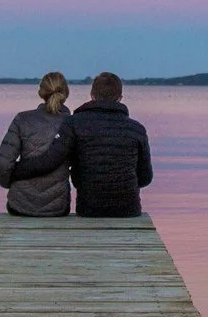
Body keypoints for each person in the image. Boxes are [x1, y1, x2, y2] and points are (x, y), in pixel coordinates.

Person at [14, 70, 152, 218]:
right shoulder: (137, 129)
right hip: (128, 210)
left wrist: (14, 170)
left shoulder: (74, 123)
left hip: (89, 208)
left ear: (92, 96)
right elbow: (145, 177)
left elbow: (51, 159)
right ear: (120, 98)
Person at [0, 71, 74, 216]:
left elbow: (3, 163)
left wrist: (8, 183)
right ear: (66, 93)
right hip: (57, 208)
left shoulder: (22, 119)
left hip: (19, 206)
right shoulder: (72, 123)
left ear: (41, 93)